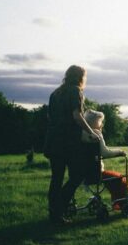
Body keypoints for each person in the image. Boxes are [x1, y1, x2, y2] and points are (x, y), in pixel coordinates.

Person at [43, 65, 100, 224]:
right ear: (80, 77)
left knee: (56, 178)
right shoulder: (75, 91)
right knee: (78, 175)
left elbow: (50, 117)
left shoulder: (56, 93)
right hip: (67, 142)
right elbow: (77, 116)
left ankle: (55, 213)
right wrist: (91, 132)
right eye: (85, 76)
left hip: (53, 141)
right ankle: (59, 207)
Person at [82, 109, 128, 211]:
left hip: (82, 173)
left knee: (113, 178)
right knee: (120, 178)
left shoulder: (80, 133)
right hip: (96, 172)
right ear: (93, 122)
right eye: (100, 121)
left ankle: (123, 202)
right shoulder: (96, 133)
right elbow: (105, 153)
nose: (102, 124)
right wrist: (120, 152)